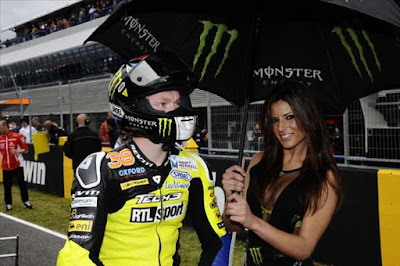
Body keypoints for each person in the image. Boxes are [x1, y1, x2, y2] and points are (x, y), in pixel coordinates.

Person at [57, 52, 230, 265]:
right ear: (133, 106)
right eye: (163, 103)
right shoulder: (101, 167)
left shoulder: (194, 167)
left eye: (178, 102)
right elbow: (75, 257)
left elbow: (217, 242)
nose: (175, 110)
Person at [222, 82, 344, 265]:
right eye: (275, 120)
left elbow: (304, 248)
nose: (281, 128)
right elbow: (234, 228)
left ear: (307, 116)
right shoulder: (258, 162)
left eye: (290, 117)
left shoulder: (324, 177)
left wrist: (253, 222)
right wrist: (231, 197)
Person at [0, 120, 33, 211]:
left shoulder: (17, 136)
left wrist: (17, 151)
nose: (0, 129)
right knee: (7, 186)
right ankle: (8, 203)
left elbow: (26, 149)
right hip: (6, 165)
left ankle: (26, 201)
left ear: (5, 127)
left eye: (1, 127)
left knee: (22, 184)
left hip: (17, 164)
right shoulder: (0, 138)